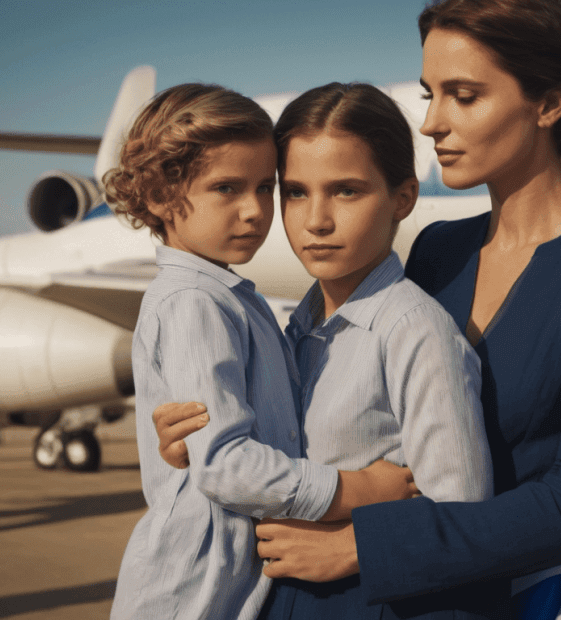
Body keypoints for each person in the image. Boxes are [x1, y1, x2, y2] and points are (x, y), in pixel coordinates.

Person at [156, 81, 500, 619]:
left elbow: (460, 512)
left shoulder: (414, 331)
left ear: (402, 198)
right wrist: (197, 443)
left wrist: (355, 542)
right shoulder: (299, 325)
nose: (316, 219)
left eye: (346, 191)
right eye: (294, 192)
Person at [104, 83, 419, 620]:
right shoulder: (194, 303)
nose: (254, 211)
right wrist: (357, 489)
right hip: (193, 593)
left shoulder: (226, 296)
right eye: (227, 188)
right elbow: (226, 466)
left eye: (265, 188)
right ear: (158, 197)